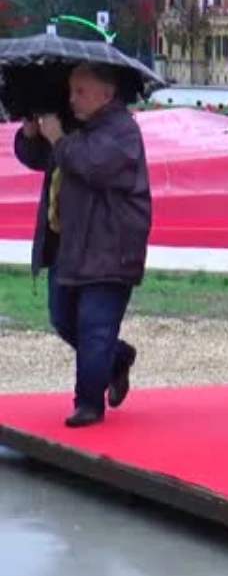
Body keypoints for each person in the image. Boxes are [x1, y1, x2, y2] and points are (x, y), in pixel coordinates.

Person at [13, 62, 150, 427]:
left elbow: (94, 165)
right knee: (63, 319)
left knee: (95, 328)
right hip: (69, 244)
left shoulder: (123, 131)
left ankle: (88, 403)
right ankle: (117, 359)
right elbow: (39, 157)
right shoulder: (74, 126)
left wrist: (58, 138)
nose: (71, 99)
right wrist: (31, 134)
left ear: (107, 94)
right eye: (71, 90)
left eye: (80, 92)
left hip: (110, 249)